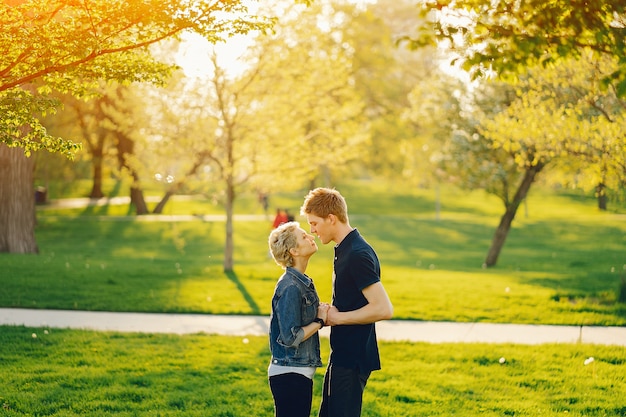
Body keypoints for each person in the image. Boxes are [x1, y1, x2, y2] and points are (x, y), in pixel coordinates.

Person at [300, 188, 393, 417]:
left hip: (353, 358)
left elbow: (383, 308)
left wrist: (337, 318)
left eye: (314, 223)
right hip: (342, 354)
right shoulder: (344, 249)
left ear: (331, 218)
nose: (312, 230)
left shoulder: (357, 254)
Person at [268, 221, 330, 417]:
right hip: (289, 375)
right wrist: (319, 321)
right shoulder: (291, 287)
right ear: (294, 250)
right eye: (304, 236)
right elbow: (291, 337)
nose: (311, 236)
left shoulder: (302, 281)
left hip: (297, 374)